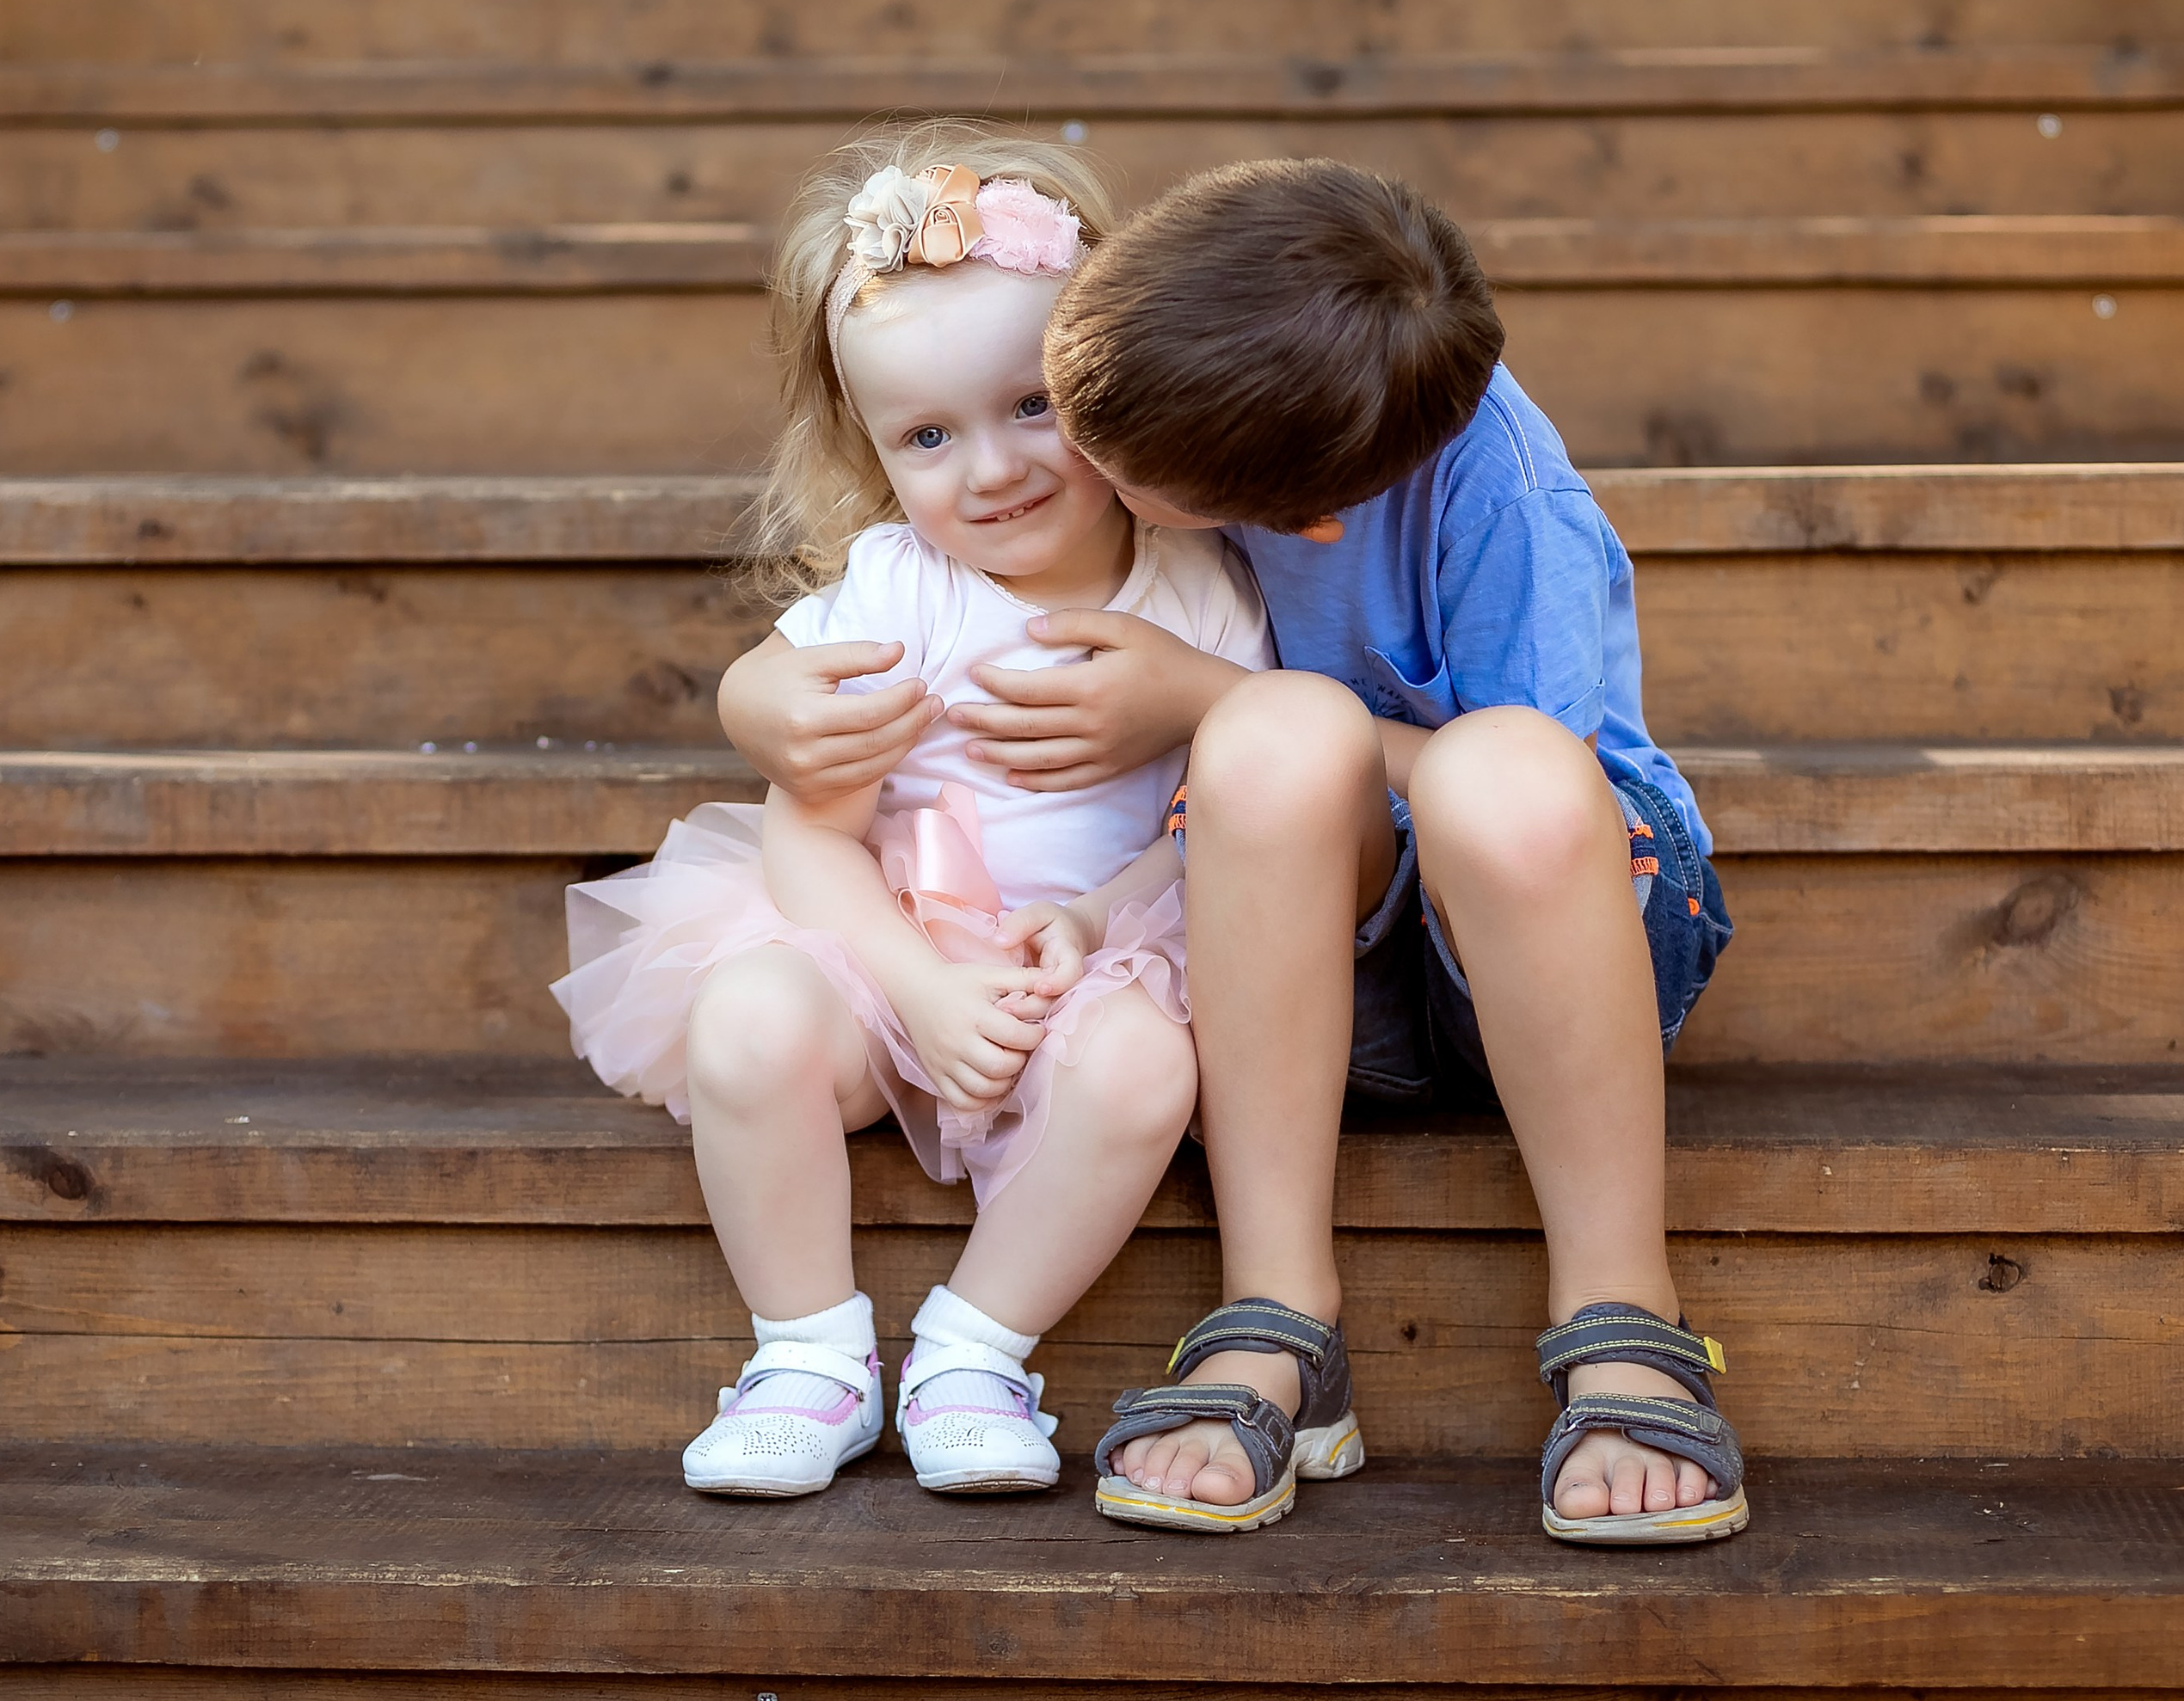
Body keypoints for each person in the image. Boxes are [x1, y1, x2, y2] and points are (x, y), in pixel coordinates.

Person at [723, 157, 1744, 1546]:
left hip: (1571, 926)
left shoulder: (1483, 489)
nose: (1048, 466)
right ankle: (1280, 1317)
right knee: (1278, 737)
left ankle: (1622, 1314)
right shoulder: (1208, 356)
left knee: (1446, 755)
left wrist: (1195, 698)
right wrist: (758, 699)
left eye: (1085, 444)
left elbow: (1556, 816)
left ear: (1282, 521)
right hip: (1303, 951)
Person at [556, 126, 1273, 1503]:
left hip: (1095, 951)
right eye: (930, 437)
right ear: (873, 449)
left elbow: (1217, 823)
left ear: (1106, 376)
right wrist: (920, 987)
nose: (990, 469)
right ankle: (808, 1356)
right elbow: (811, 838)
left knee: (1141, 1073)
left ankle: (973, 1350)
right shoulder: (895, 596)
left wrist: (1091, 919)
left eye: (1030, 406)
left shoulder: (1205, 591)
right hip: (890, 950)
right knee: (747, 1017)